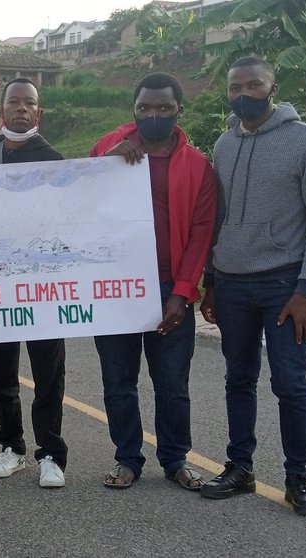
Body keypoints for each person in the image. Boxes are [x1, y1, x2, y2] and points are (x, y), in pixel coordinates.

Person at [198, 57, 306, 516]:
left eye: (253, 84)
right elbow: (218, 218)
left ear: (272, 86)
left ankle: (298, 476)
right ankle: (240, 468)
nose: (244, 93)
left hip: (283, 285)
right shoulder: (223, 144)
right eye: (235, 86)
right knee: (238, 378)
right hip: (233, 284)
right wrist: (212, 281)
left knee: (291, 383)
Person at [88, 72, 217, 492]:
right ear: (134, 109)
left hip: (168, 288)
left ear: (180, 111)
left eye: (163, 108)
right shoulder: (111, 147)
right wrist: (109, 157)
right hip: (115, 289)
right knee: (118, 382)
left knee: (172, 383)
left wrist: (183, 293)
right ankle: (127, 459)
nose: (154, 115)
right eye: (145, 108)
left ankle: (176, 459)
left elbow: (201, 234)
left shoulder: (198, 167)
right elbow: (76, 193)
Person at [0, 78, 68, 489]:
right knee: (2, 373)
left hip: (43, 289)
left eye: (29, 103)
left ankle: (51, 454)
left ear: (38, 113)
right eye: (14, 102)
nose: (21, 109)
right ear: (0, 111)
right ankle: (12, 447)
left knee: (48, 375)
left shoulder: (56, 162)